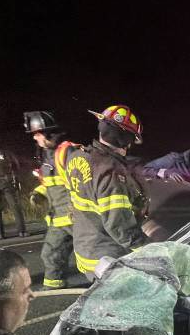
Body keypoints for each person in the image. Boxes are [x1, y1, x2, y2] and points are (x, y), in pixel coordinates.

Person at [61, 105, 149, 278]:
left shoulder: (77, 157)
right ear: (124, 138)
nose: (130, 145)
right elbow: (119, 225)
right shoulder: (110, 171)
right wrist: (149, 248)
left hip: (85, 247)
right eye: (130, 139)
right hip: (109, 258)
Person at [23, 111, 75, 288]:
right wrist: (39, 192)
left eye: (36, 134)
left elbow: (83, 184)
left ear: (48, 133)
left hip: (77, 217)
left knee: (93, 255)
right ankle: (53, 287)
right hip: (59, 218)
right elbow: (50, 183)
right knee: (51, 253)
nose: (34, 138)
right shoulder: (48, 155)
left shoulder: (68, 152)